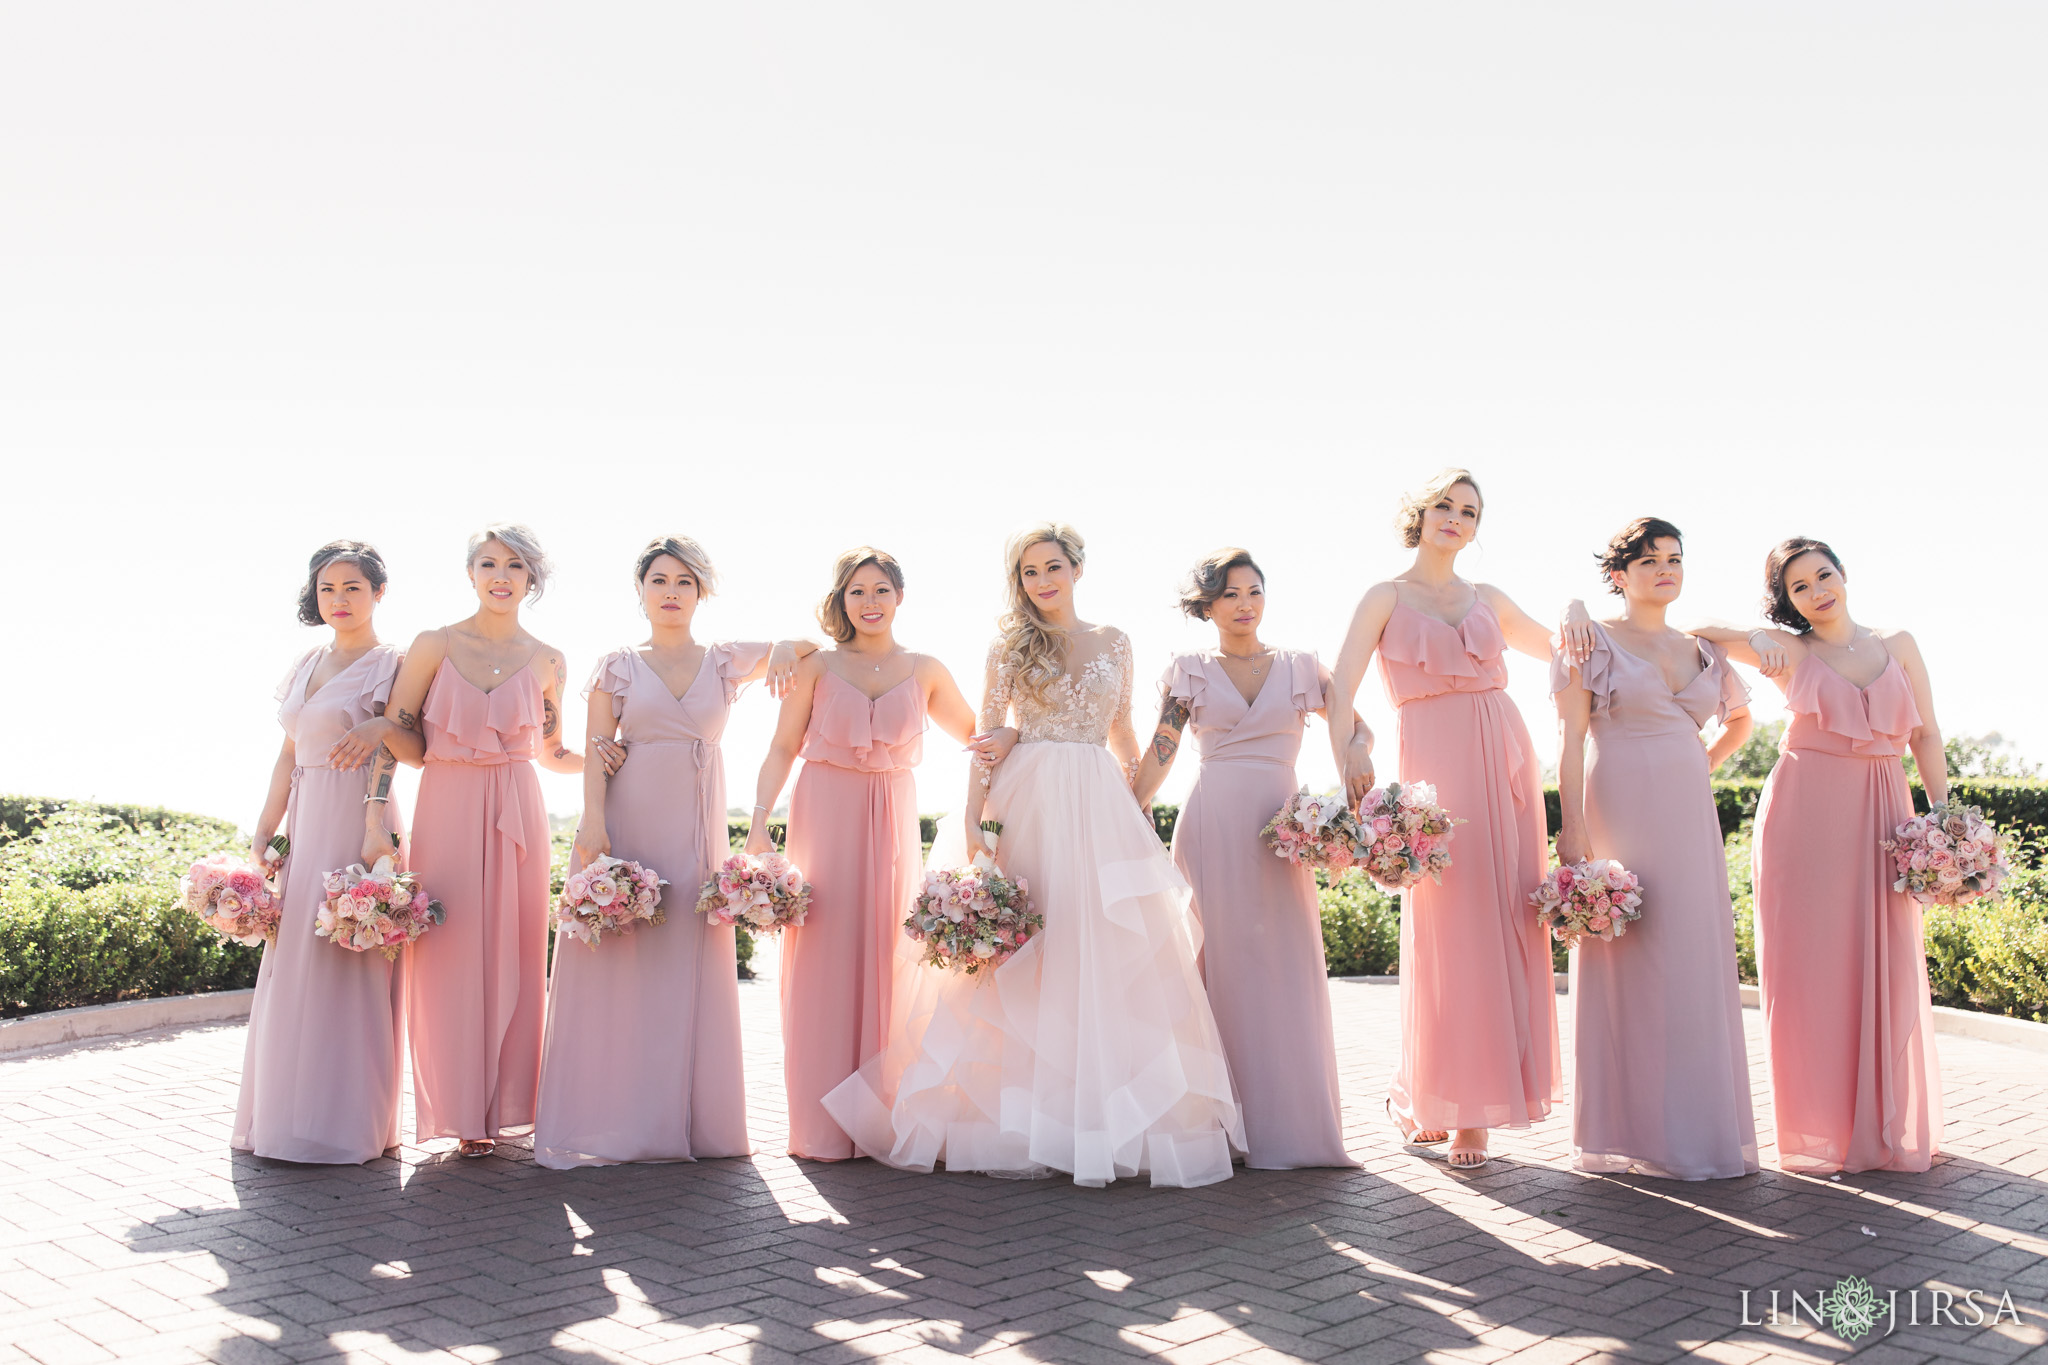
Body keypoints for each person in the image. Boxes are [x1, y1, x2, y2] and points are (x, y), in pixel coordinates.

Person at [825, 523, 1244, 1187]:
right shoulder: (1010, 645)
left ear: (1077, 567)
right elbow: (990, 735)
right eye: (1028, 572)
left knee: (1098, 954)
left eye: (1052, 566)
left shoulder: (1116, 641)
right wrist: (970, 818)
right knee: (1022, 958)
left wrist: (1136, 805)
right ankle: (1015, 1123)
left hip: (1100, 798)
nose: (1042, 581)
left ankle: (1097, 1124)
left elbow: (1125, 730)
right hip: (1029, 800)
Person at [1326, 469, 1586, 1170]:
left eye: (1469, 511)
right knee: (1445, 936)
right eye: (1445, 504)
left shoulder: (1488, 598)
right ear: (1420, 513)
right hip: (1431, 768)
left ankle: (1477, 1112)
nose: (1456, 518)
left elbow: (1564, 647)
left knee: (1500, 924)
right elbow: (1340, 687)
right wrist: (1352, 755)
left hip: (1501, 760)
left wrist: (1576, 605)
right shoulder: (1385, 595)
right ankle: (1434, 1093)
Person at [533, 536, 809, 1168]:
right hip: (628, 824)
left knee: (688, 959)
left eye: (684, 581)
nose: (671, 592)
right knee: (626, 962)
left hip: (698, 828)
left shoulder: (723, 660)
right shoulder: (617, 665)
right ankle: (615, 1118)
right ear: (641, 591)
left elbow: (806, 650)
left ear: (701, 591)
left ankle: (694, 1122)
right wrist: (594, 828)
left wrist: (790, 648)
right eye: (659, 580)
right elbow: (596, 754)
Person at [1692, 537, 1946, 1174]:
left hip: (1887, 806)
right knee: (1809, 967)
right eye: (1799, 588)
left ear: (1843, 574)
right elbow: (1696, 630)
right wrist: (1758, 632)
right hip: (1806, 810)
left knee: (1884, 958)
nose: (1817, 592)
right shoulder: (1791, 649)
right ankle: (1815, 1131)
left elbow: (1926, 733)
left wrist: (1943, 817)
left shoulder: (1899, 642)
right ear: (1789, 601)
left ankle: (1883, 1122)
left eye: (1823, 576)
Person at [745, 547, 999, 1160]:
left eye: (881, 589)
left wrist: (1041, 752)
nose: (870, 602)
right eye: (857, 591)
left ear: (900, 597)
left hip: (893, 812)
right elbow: (782, 747)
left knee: (890, 951)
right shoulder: (815, 664)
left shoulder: (926, 669)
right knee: (823, 958)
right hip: (824, 809)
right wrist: (758, 825)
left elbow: (981, 739)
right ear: (842, 600)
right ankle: (822, 1126)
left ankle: (881, 1116)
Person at [1130, 548, 1362, 1169]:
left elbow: (1352, 726)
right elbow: (1162, 746)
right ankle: (1218, 1126)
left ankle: (1294, 1128)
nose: (1244, 604)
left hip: (1284, 830)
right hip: (1212, 825)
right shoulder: (1190, 670)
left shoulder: (1305, 667)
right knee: (1218, 966)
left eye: (1253, 591)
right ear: (1208, 606)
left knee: (1286, 968)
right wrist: (1128, 804)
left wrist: (1358, 764)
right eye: (1229, 594)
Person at [1551, 518, 1759, 1179]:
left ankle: (1697, 1129)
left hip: (1689, 814)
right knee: (1631, 960)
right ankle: (1629, 1128)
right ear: (1620, 574)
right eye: (1650, 560)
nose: (1666, 569)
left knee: (1692, 956)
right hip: (1621, 804)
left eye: (1674, 558)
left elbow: (1743, 721)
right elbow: (1570, 738)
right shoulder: (1593, 640)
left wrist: (1698, 762)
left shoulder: (1703, 648)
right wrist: (1573, 825)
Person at [371, 524, 583, 1158]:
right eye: (488, 563)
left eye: (514, 566)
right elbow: (406, 739)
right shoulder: (434, 644)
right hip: (448, 800)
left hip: (520, 803)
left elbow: (553, 752)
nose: (500, 575)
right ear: (470, 574)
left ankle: (508, 1106)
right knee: (450, 952)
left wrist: (616, 757)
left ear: (531, 580)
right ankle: (460, 1110)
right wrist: (379, 738)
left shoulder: (550, 660)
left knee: (517, 952)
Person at [233, 541, 408, 1164]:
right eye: (327, 588)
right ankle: (287, 1117)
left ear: (378, 593)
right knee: (294, 970)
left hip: (357, 819)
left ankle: (346, 1124)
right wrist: (266, 827)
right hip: (306, 820)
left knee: (348, 960)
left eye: (353, 587)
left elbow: (397, 746)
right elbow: (289, 752)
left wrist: (374, 825)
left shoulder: (394, 662)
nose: (338, 599)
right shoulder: (308, 662)